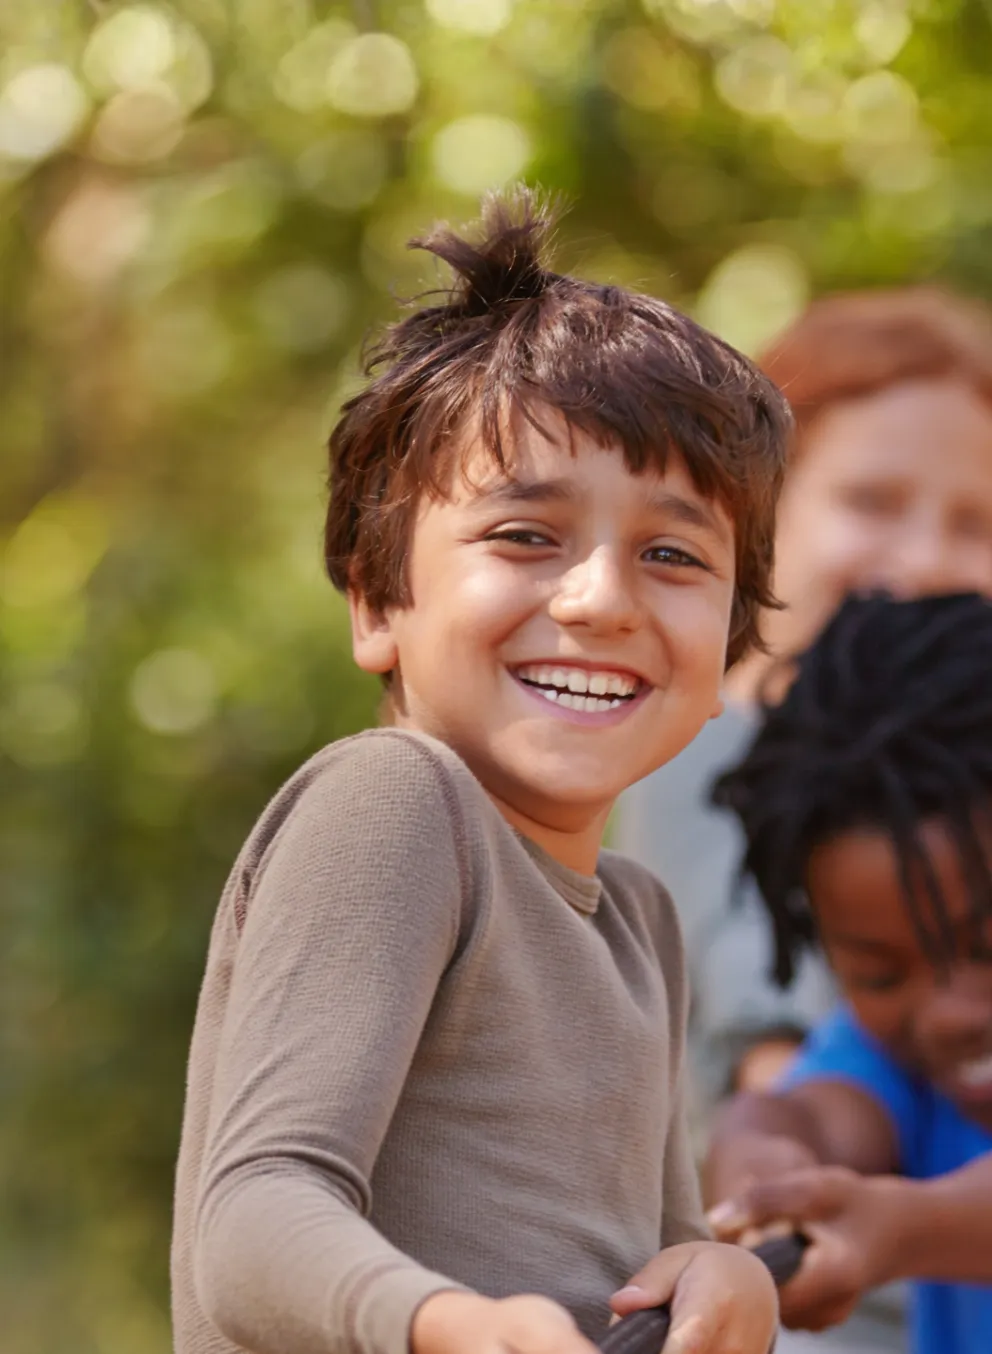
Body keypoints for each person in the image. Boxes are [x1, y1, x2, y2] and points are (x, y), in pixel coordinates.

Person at [169, 191, 792, 1354]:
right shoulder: (398, 805)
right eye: (523, 535)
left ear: (727, 652)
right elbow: (250, 1214)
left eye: (669, 554)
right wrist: (442, 1322)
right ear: (374, 598)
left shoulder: (639, 919)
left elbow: (637, 1264)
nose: (600, 598)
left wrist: (714, 1270)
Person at [615, 287, 992, 1124]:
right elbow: (765, 1039)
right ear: (760, 515)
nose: (926, 559)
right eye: (872, 501)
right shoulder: (706, 744)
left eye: (977, 523)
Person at [704, 590, 992, 1354]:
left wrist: (902, 1228)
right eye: (881, 976)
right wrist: (759, 1166)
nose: (950, 1015)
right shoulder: (906, 1068)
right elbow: (808, 1114)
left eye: (988, 949)